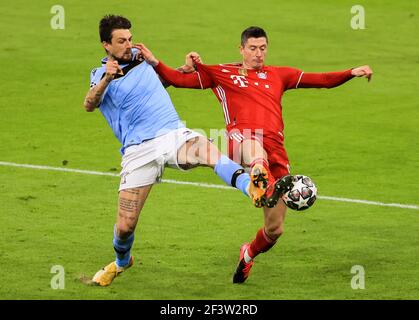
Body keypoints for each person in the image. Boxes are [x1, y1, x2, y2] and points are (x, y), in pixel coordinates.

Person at [136, 26, 373, 283]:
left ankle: (248, 253)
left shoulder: (279, 75)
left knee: (275, 229)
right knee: (252, 146)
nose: (258, 54)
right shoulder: (222, 73)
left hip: (276, 151)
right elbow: (178, 79)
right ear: (241, 49)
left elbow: (323, 80)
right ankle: (258, 178)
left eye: (262, 48)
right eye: (252, 48)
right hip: (241, 140)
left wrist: (351, 72)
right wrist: (155, 62)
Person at [83, 16, 280, 286]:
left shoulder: (141, 58)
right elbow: (89, 103)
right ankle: (121, 261)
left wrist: (183, 69)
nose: (128, 44)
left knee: (205, 149)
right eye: (121, 41)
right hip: (138, 150)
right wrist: (107, 78)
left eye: (129, 38)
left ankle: (253, 187)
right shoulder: (100, 74)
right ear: (106, 45)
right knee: (125, 227)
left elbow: (157, 85)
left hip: (171, 134)